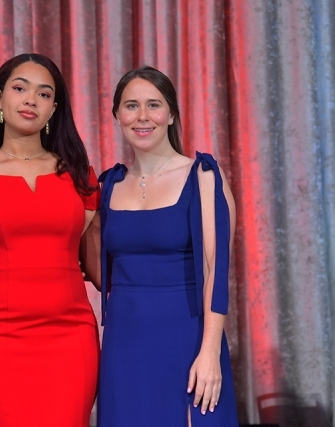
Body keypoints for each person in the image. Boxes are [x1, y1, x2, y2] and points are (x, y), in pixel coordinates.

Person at [0, 53, 100, 426]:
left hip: (71, 338)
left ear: (54, 109)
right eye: (20, 88)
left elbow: (98, 267)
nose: (31, 99)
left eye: (44, 93)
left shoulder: (80, 176)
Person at [94, 66, 239, 426]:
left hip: (187, 340)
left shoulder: (202, 175)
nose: (142, 116)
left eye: (154, 105)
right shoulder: (108, 185)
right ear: (117, 116)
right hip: (123, 346)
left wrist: (210, 353)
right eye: (131, 106)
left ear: (171, 114)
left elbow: (215, 270)